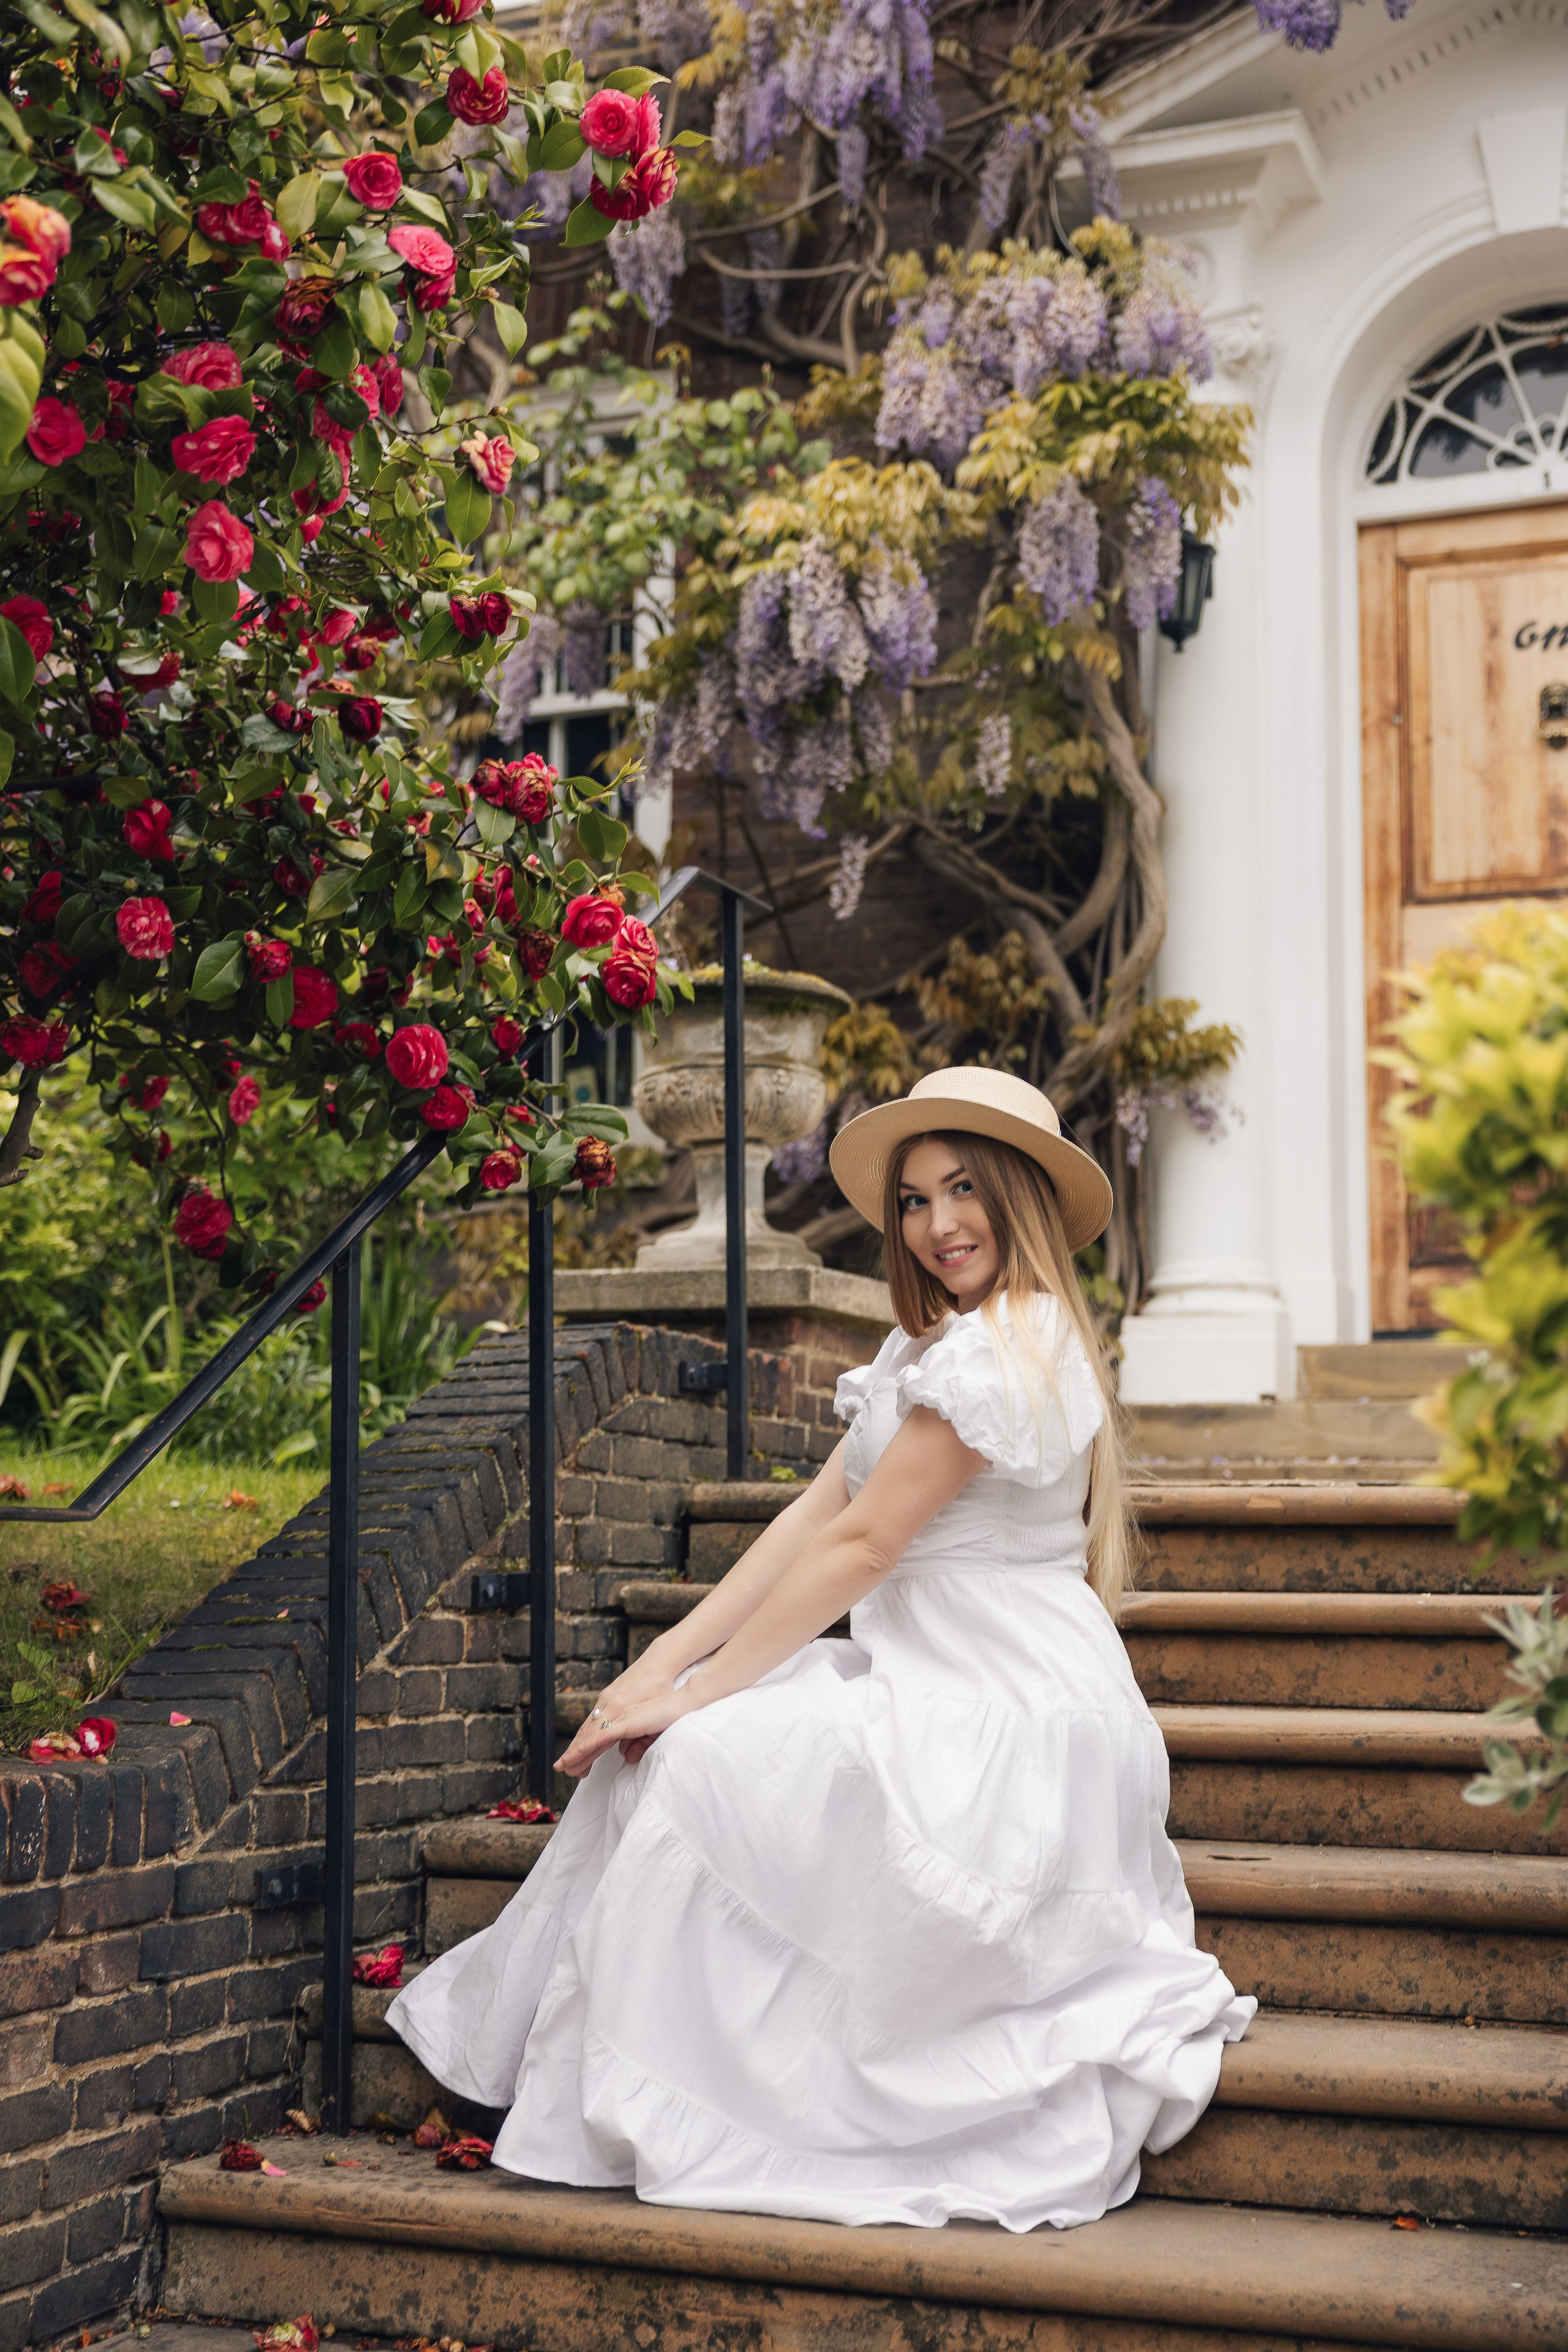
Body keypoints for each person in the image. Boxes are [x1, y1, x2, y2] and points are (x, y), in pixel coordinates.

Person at [386, 1065, 1254, 2230]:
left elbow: (863, 1548)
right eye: (911, 1201)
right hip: (928, 1671)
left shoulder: (1015, 1347)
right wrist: (666, 1668)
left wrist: (695, 1695)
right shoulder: (929, 1347)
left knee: (704, 1757)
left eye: (963, 1190)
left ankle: (713, 2101)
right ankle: (653, 2087)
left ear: (1021, 1197)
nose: (938, 1224)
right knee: (679, 1746)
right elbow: (810, 1516)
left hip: (1007, 1705)